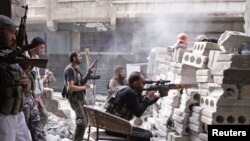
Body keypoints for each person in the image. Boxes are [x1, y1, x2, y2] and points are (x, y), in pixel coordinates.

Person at [105, 71, 164, 141]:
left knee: (148, 134)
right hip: (116, 129)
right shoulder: (130, 92)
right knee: (147, 135)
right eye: (143, 83)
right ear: (135, 84)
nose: (144, 85)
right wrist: (148, 97)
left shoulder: (126, 89)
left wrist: (156, 98)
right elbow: (138, 112)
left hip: (113, 127)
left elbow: (141, 104)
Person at [0, 14, 32, 141]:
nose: (14, 37)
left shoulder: (10, 55)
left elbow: (25, 87)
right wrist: (14, 81)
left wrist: (25, 81)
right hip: (3, 113)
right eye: (10, 32)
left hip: (17, 111)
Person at [63, 51, 95, 141]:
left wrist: (88, 73)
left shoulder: (76, 69)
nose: (81, 58)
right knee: (81, 121)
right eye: (79, 56)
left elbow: (81, 82)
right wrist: (84, 87)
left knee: (86, 120)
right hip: (75, 99)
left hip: (81, 97)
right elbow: (71, 87)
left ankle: (79, 138)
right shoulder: (69, 70)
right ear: (74, 58)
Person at [21, 64, 47, 141]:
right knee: (22, 129)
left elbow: (32, 89)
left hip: (30, 101)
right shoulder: (18, 71)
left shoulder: (30, 73)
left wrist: (35, 98)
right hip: (21, 103)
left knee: (38, 128)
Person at [29, 37, 49, 128]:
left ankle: (38, 134)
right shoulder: (26, 57)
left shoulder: (36, 57)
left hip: (37, 93)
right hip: (30, 94)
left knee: (44, 115)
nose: (42, 50)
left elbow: (36, 77)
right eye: (41, 47)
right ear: (35, 46)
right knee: (38, 116)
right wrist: (34, 96)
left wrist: (42, 89)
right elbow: (29, 79)